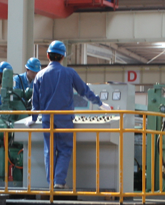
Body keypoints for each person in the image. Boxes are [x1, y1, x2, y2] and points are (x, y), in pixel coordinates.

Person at [30, 41, 112, 189]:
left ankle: (51, 184)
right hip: (64, 119)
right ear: (63, 57)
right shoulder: (69, 73)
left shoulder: (40, 75)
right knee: (65, 149)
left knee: (49, 151)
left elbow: (35, 101)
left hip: (47, 119)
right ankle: (59, 182)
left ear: (48, 55)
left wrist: (33, 118)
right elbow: (84, 91)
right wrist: (100, 104)